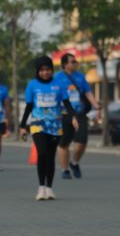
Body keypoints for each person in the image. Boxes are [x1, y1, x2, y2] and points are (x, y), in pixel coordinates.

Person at [19, 56, 78, 200]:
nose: (45, 72)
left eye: (48, 69)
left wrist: (73, 117)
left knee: (51, 156)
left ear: (52, 70)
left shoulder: (59, 84)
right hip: (38, 124)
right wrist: (22, 126)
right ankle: (41, 188)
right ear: (37, 71)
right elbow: (29, 106)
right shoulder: (32, 85)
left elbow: (67, 103)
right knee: (42, 153)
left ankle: (49, 188)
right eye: (42, 70)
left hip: (55, 125)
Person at [55, 53, 100, 179]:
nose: (75, 64)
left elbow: (88, 92)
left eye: (75, 61)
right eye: (73, 62)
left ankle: (74, 162)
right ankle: (65, 170)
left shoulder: (80, 76)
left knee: (82, 141)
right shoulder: (57, 77)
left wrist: (97, 106)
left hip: (79, 113)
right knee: (64, 143)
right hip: (64, 114)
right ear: (65, 64)